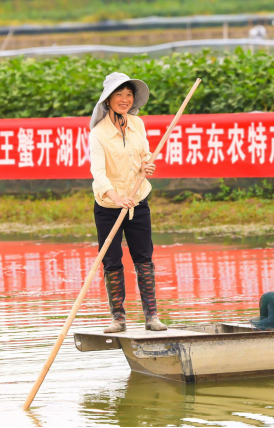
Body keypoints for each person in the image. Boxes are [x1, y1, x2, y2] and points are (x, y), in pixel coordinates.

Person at [89, 72, 167, 333]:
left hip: (138, 200)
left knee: (144, 258)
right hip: (109, 207)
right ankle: (118, 318)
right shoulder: (98, 134)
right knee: (111, 261)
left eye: (128, 95)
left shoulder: (138, 124)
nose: (124, 99)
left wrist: (148, 164)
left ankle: (152, 316)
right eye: (119, 95)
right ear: (108, 100)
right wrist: (115, 197)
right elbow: (98, 173)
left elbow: (145, 154)